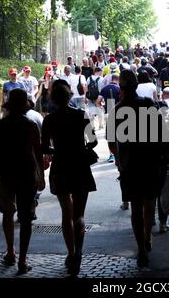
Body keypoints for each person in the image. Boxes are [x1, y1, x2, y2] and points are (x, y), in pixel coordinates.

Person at [0, 88, 45, 275]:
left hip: (5, 174)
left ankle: (10, 251)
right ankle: (23, 260)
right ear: (25, 106)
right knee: (25, 219)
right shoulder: (31, 126)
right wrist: (41, 176)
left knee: (7, 213)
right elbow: (38, 154)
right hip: (26, 174)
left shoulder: (0, 125)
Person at [107, 69, 167, 268]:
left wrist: (119, 160)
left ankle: (141, 248)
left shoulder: (116, 109)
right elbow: (161, 133)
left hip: (130, 165)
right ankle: (148, 236)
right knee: (149, 203)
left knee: (135, 207)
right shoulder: (148, 104)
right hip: (150, 162)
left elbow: (111, 143)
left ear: (122, 88)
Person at [41, 83, 97, 276]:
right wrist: (82, 150)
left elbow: (44, 148)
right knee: (79, 214)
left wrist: (57, 150)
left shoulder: (50, 120)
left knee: (66, 212)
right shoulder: (80, 114)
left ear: (53, 99)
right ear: (69, 95)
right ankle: (79, 252)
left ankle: (71, 253)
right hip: (80, 165)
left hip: (61, 167)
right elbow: (93, 141)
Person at [99, 74, 121, 164]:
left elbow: (98, 101)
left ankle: (111, 155)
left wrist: (103, 107)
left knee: (110, 135)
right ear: (118, 80)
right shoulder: (119, 88)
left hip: (108, 113)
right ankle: (119, 153)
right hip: (119, 113)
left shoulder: (104, 88)